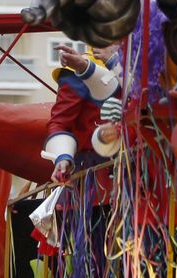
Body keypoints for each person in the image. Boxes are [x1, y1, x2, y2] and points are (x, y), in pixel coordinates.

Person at [42, 45, 120, 184]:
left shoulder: (141, 62)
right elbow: (60, 122)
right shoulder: (76, 71)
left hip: (148, 172)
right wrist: (63, 156)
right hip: (97, 182)